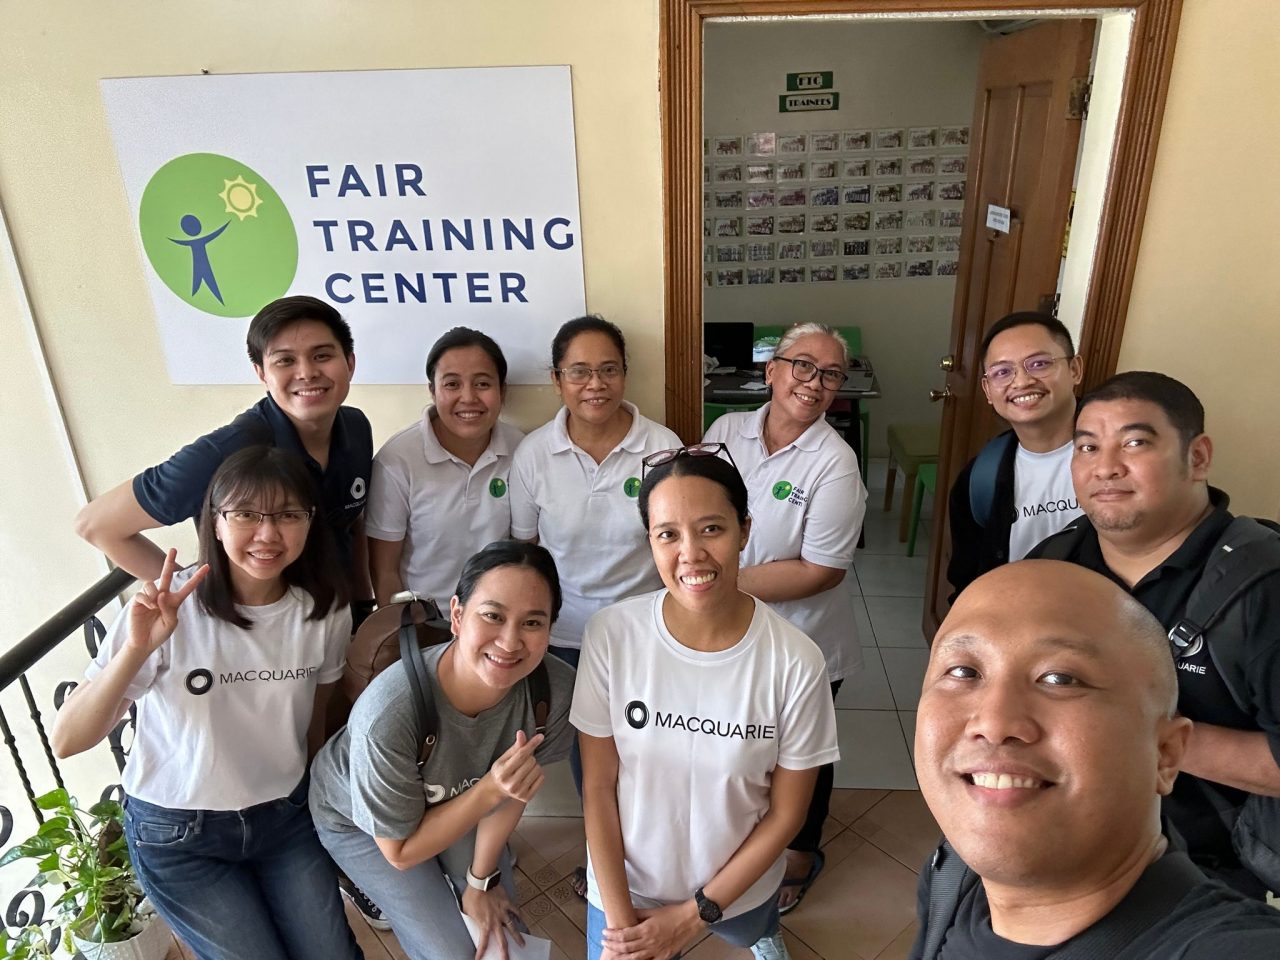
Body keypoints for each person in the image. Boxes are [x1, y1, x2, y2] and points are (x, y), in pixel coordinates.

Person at [51, 446, 362, 960]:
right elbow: (67, 740)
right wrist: (135, 650)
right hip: (178, 834)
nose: (268, 534)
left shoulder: (323, 611)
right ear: (215, 522)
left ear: (309, 524)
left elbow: (314, 722)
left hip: (284, 818)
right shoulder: (165, 607)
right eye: (246, 514)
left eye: (288, 515)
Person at [910, 560, 1280, 959]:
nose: (995, 722)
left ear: (1166, 753)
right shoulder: (952, 876)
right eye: (963, 670)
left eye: (1060, 679)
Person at [573, 447, 839, 960]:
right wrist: (626, 925)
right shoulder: (611, 636)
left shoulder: (796, 660)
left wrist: (695, 916)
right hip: (625, 886)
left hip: (740, 889)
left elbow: (786, 814)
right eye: (667, 534)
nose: (690, 553)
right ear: (650, 542)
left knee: (748, 929)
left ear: (745, 529)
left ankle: (761, 933)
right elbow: (599, 787)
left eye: (711, 529)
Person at [1028, 371, 1280, 897]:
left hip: (1213, 877)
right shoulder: (1054, 565)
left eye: (1136, 443)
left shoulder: (1263, 586)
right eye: (1087, 447)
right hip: (1070, 848)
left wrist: (1128, 734)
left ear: (1199, 457)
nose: (1106, 467)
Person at [308, 541, 576, 960]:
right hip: (362, 823)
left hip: (458, 796)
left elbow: (512, 794)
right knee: (450, 952)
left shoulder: (552, 692)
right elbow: (401, 851)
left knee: (500, 937)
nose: (509, 642)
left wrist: (480, 881)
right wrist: (489, 789)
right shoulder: (390, 713)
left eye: (532, 623)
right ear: (457, 615)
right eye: (492, 615)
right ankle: (364, 880)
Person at [509, 314, 681, 899]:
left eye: (608, 370)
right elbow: (527, 548)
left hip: (646, 629)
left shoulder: (661, 448)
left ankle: (655, 858)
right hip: (568, 634)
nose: (595, 384)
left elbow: (676, 544)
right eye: (579, 371)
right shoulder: (535, 453)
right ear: (558, 379)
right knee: (592, 757)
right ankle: (606, 864)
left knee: (651, 748)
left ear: (626, 375)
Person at [702, 321, 866, 913]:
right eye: (802, 365)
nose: (813, 383)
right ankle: (744, 841)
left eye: (829, 374)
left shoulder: (835, 462)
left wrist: (719, 583)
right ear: (771, 371)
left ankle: (799, 853)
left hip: (805, 640)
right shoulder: (726, 430)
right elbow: (702, 504)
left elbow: (821, 569)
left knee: (804, 756)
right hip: (731, 633)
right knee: (744, 742)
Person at [75, 294, 374, 604]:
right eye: (285, 360)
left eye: (322, 356)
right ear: (262, 374)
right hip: (257, 634)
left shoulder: (355, 427)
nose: (307, 373)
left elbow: (351, 523)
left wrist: (366, 607)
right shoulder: (230, 450)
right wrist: (194, 602)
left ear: (349, 363)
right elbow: (96, 525)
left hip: (335, 621)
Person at [366, 327, 524, 610]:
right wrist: (402, 634)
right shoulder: (398, 460)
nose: (468, 398)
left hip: (496, 617)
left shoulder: (521, 450)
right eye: (452, 384)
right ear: (432, 390)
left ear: (503, 390)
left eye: (483, 384)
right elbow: (384, 571)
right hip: (424, 623)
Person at [945, 311, 1084, 602]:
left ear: (1075, 369)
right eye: (1002, 372)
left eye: (1039, 364)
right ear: (987, 390)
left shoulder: (1126, 460)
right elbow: (968, 580)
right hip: (1020, 629)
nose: (1021, 381)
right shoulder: (980, 479)